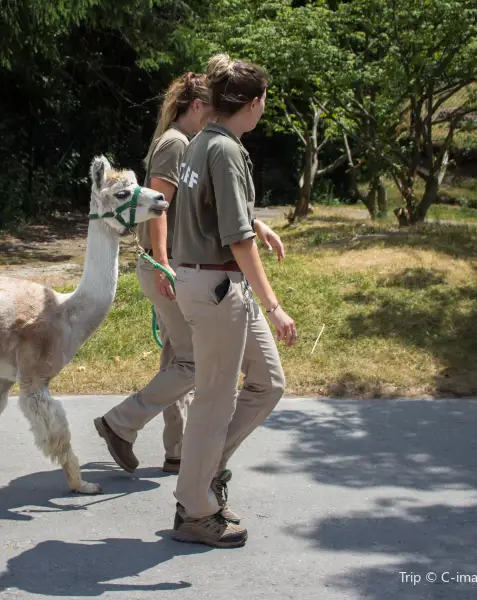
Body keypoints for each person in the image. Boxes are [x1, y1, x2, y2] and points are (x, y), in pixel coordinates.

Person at [93, 71, 286, 476]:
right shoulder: (177, 144)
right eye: (211, 108)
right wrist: (162, 261)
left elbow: (208, 205)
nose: (216, 116)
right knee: (194, 363)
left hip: (174, 265)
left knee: (180, 358)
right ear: (197, 106)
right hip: (169, 265)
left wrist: (257, 224)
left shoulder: (189, 143)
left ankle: (178, 450)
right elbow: (159, 208)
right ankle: (121, 423)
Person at [167, 53, 297, 549]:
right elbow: (236, 241)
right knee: (213, 403)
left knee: (267, 382)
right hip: (219, 288)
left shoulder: (204, 141)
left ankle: (206, 472)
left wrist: (252, 220)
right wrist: (274, 304)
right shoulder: (223, 151)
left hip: (211, 283)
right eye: (265, 98)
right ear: (253, 101)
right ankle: (196, 510)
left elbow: (213, 212)